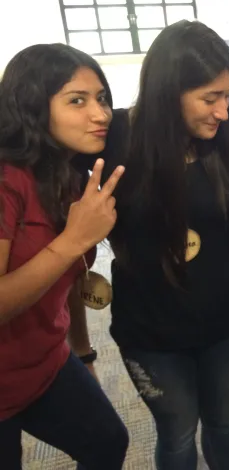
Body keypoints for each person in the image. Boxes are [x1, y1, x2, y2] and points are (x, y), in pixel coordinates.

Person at [97, 21, 229, 470]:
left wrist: (213, 213)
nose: (223, 111)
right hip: (151, 327)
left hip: (228, 318)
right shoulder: (116, 140)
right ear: (167, 92)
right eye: (210, 98)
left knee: (224, 422)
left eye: (227, 95)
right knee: (176, 434)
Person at [0, 43, 128, 469]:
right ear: (32, 107)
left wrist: (83, 351)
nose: (101, 114)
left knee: (108, 442)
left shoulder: (70, 177)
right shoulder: (7, 180)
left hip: (45, 362)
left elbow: (72, 277)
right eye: (77, 100)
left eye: (102, 98)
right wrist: (72, 240)